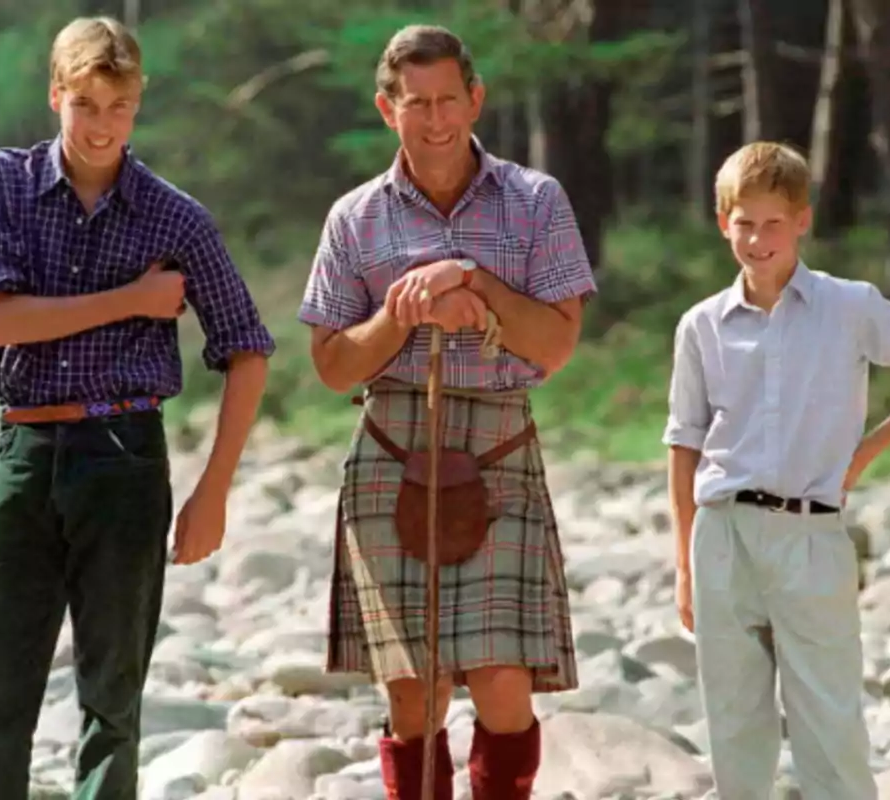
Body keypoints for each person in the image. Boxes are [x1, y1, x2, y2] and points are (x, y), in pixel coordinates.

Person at [0, 16, 274, 798]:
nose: (102, 125)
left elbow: (249, 348)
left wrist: (213, 490)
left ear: (139, 103)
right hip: (23, 455)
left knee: (114, 697)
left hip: (126, 459)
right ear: (56, 93)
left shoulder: (175, 216)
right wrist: (132, 300)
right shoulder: (1, 184)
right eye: (86, 104)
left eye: (119, 106)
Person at [297, 23, 597, 800]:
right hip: (391, 446)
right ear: (386, 108)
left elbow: (558, 346)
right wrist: (402, 316)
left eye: (449, 100)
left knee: (502, 683)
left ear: (476, 99)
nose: (436, 120)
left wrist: (481, 288)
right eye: (417, 103)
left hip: (498, 441)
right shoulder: (353, 218)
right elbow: (332, 366)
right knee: (413, 691)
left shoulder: (536, 202)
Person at [664, 141, 890, 799]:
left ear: (802, 220)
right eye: (744, 222)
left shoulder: (849, 306)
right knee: (735, 726)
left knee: (829, 722)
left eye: (774, 222)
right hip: (722, 535)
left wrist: (862, 453)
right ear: (724, 223)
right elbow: (683, 443)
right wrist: (686, 563)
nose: (758, 237)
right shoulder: (701, 326)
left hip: (812, 534)